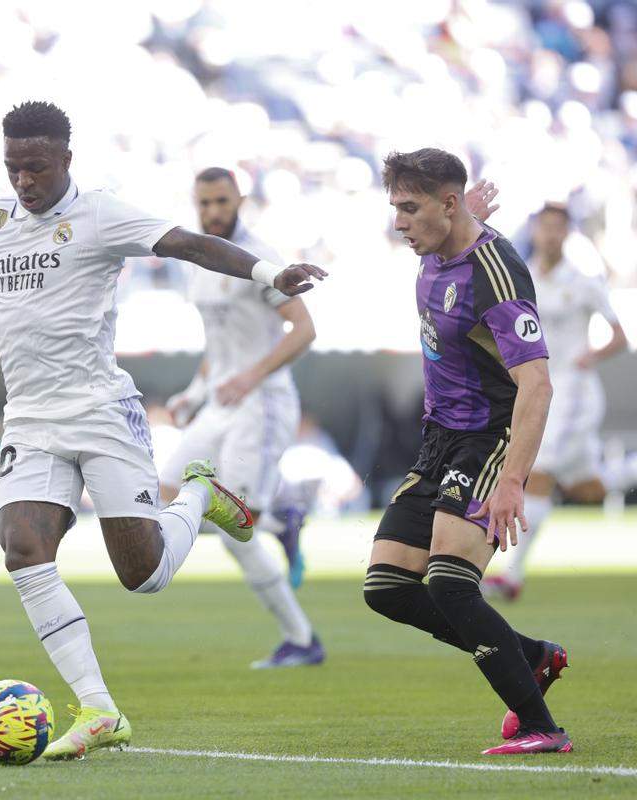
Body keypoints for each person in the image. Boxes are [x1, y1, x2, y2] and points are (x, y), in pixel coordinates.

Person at [0, 101, 326, 760]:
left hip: (101, 411)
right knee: (21, 547)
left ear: (66, 161)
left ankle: (200, 495)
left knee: (145, 576)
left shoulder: (101, 213)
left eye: (36, 167)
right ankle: (100, 708)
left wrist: (265, 272)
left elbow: (184, 243)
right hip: (31, 417)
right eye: (14, 167)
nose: (24, 180)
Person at [363, 148, 571, 755]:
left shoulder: (496, 273)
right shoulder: (439, 241)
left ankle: (541, 727)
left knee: (450, 583)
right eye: (395, 207)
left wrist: (511, 482)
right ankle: (530, 656)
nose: (399, 222)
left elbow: (537, 384)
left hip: (487, 438)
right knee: (387, 588)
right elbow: (454, 230)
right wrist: (461, 217)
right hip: (437, 438)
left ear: (446, 204)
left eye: (409, 208)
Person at [160, 167, 324, 669]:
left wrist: (249, 378)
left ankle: (301, 639)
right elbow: (218, 342)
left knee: (235, 524)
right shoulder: (195, 259)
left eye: (221, 201)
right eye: (204, 202)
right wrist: (195, 390)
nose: (212, 212)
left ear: (240, 201)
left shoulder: (262, 260)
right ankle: (281, 518)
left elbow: (303, 330)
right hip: (221, 401)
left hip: (264, 401)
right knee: (165, 493)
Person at [484, 203, 629, 601]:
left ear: (567, 233)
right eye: (544, 227)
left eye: (557, 228)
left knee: (540, 472)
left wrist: (591, 356)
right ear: (535, 230)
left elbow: (619, 337)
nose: (549, 235)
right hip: (536, 388)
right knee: (589, 488)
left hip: (573, 394)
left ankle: (511, 575)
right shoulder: (521, 276)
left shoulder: (583, 282)